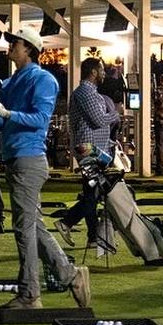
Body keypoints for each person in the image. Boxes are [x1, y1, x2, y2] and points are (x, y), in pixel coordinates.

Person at [0, 27, 88, 310]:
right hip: (15, 157)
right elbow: (3, 125)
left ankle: (30, 294)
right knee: (33, 226)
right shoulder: (12, 81)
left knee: (24, 229)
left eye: (14, 43)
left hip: (28, 158)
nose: (10, 47)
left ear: (29, 48)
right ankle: (70, 275)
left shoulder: (43, 79)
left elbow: (40, 119)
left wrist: (5, 111)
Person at [60, 57, 122, 235]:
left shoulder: (91, 93)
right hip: (87, 148)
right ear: (93, 72)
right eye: (102, 70)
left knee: (95, 191)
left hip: (94, 148)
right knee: (93, 192)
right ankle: (69, 223)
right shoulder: (85, 93)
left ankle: (91, 234)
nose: (104, 73)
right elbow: (99, 120)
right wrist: (116, 114)